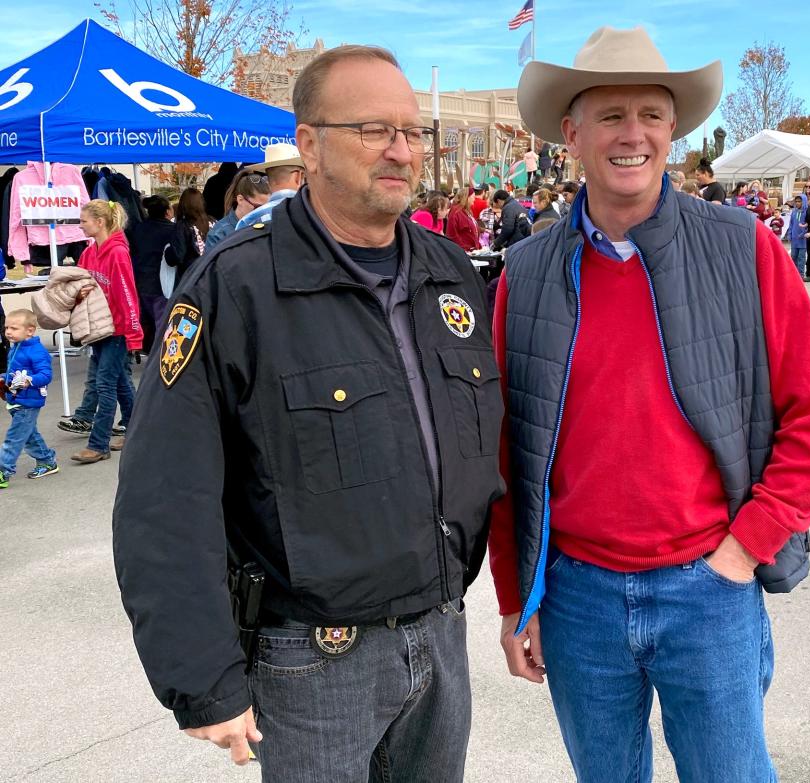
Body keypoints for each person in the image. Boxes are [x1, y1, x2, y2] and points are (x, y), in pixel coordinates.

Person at [113, 44, 503, 782]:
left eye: (412, 131)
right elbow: (166, 495)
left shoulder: (448, 273)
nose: (400, 150)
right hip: (315, 660)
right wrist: (204, 679)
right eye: (372, 130)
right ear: (308, 142)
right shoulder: (237, 286)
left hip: (442, 633)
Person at [491, 25, 810, 783]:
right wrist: (514, 596)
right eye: (611, 114)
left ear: (673, 130)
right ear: (572, 133)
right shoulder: (522, 275)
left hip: (709, 590)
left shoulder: (742, 246)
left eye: (651, 114)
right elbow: (505, 451)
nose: (633, 134)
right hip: (577, 598)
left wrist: (744, 547)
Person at [72, 199, 142, 462]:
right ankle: (138, 431)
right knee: (120, 382)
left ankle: (98, 444)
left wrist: (134, 333)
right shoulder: (89, 252)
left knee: (105, 384)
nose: (80, 226)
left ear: (99, 222)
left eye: (84, 221)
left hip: (117, 329)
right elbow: (78, 281)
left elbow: (128, 294)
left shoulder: (117, 253)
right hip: (97, 328)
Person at [0, 309, 57, 488]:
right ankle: (47, 461)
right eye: (6, 327)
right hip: (16, 398)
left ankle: (3, 470)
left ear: (30, 331)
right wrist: (4, 378)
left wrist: (30, 380)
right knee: (29, 433)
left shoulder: (37, 351)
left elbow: (46, 375)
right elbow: (14, 371)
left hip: (29, 400)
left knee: (14, 437)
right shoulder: (16, 347)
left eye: (14, 328)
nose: (8, 332)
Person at [129, 195, 177, 341]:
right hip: (163, 284)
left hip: (140, 281)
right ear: (168, 211)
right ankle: (159, 359)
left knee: (146, 323)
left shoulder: (138, 228)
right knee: (163, 326)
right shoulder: (173, 230)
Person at [234, 144, 306, 231]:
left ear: (268, 180)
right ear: (298, 177)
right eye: (305, 177)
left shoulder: (247, 221)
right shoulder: (317, 216)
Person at [205, 170, 271, 253]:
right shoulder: (219, 234)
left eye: (267, 207)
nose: (262, 212)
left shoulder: (268, 225)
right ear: (240, 199)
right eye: (258, 207)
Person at [164, 187, 212, 289]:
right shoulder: (213, 222)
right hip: (212, 275)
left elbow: (177, 256)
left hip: (191, 280)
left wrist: (167, 251)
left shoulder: (183, 226)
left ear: (183, 205)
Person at [788, 194, 808, 276]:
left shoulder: (807, 212)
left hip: (803, 239)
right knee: (793, 256)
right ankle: (794, 274)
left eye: (799, 201)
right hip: (794, 239)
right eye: (796, 201)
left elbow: (808, 224)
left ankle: (801, 274)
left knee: (801, 257)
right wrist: (790, 234)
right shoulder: (794, 212)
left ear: (804, 202)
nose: (797, 203)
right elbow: (791, 224)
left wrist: (803, 233)